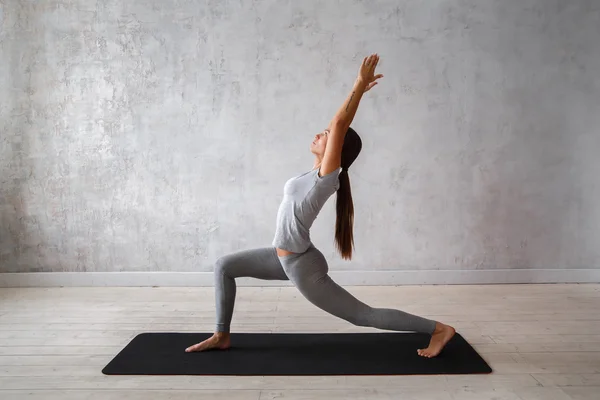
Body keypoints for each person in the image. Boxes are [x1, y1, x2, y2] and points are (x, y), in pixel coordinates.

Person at [186, 54, 455, 358]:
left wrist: (359, 83)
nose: (321, 133)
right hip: (283, 257)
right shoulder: (313, 175)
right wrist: (355, 95)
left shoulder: (327, 179)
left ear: (336, 150)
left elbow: (340, 123)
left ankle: (438, 329)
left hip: (302, 266)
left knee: (363, 315)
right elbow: (336, 122)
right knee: (224, 265)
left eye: (327, 136)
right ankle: (221, 335)